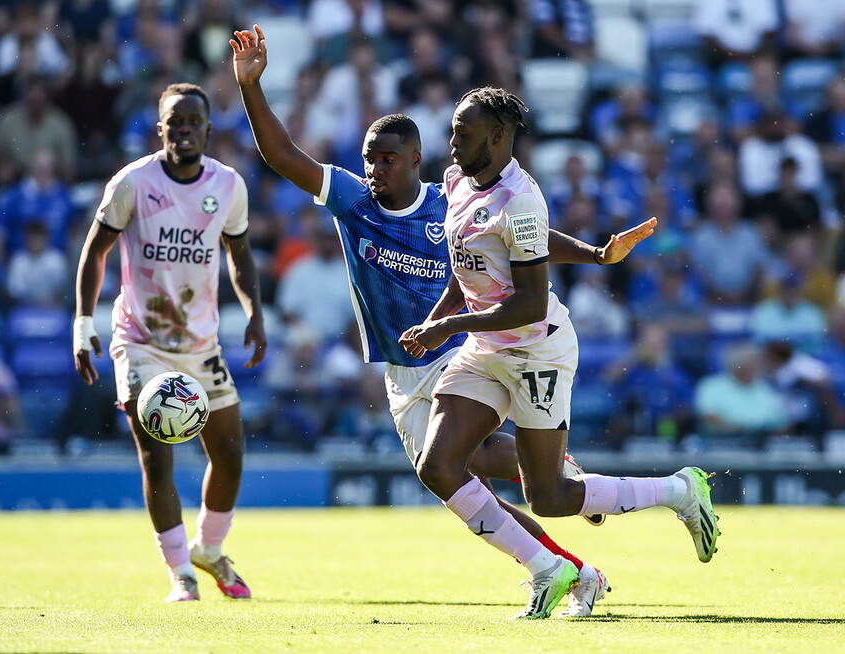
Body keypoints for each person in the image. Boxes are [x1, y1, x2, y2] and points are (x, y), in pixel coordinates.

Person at [231, 26, 655, 618]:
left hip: (456, 351)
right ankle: (564, 518)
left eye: (388, 160)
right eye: (369, 160)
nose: (376, 170)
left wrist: (595, 253)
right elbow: (282, 156)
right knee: (470, 469)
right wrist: (252, 87)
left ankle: (557, 562)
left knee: (448, 472)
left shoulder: (447, 202)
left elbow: (524, 243)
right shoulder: (351, 202)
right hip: (403, 369)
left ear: (414, 161)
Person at [398, 86, 720, 620]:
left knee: (546, 496)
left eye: (464, 132)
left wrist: (448, 326)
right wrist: (437, 323)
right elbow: (474, 263)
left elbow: (526, 303)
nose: (451, 142)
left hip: (535, 352)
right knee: (438, 465)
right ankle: (548, 570)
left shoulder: (520, 198)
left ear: (497, 137)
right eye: (453, 130)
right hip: (484, 347)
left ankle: (678, 490)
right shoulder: (458, 183)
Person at [73, 82, 267, 604]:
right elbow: (96, 251)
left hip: (201, 343)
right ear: (160, 129)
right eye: (174, 122)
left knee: (229, 453)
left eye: (193, 122)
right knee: (157, 455)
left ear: (208, 128)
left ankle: (209, 548)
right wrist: (82, 322)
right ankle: (180, 573)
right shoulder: (133, 183)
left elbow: (239, 253)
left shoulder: (228, 185)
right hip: (139, 339)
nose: (184, 130)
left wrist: (253, 314)